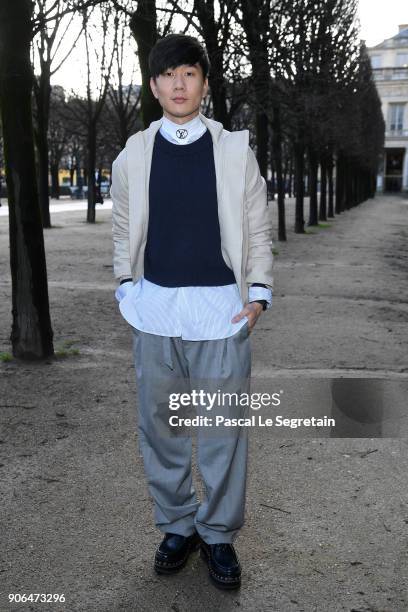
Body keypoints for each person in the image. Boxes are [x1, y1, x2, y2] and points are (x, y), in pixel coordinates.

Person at [111, 33, 274, 590]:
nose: (179, 84)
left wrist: (259, 293)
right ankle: (177, 526)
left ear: (204, 83)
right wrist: (126, 287)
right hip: (154, 309)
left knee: (223, 427)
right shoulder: (134, 153)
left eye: (190, 73)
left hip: (220, 313)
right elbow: (122, 228)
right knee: (160, 428)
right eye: (168, 75)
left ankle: (220, 534)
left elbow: (256, 226)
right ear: (154, 86)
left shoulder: (234, 150)